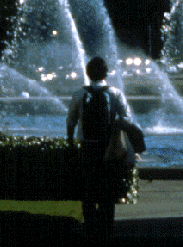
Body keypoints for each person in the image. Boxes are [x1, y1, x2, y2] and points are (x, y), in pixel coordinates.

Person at [67, 56, 132, 236]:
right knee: (107, 187)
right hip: (109, 147)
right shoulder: (115, 93)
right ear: (106, 73)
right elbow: (127, 119)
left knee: (88, 187)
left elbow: (71, 120)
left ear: (87, 73)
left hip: (87, 147)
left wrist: (70, 140)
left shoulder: (79, 94)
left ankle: (90, 225)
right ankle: (107, 226)